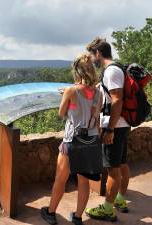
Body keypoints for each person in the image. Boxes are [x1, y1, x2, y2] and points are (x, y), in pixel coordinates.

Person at [41, 53, 103, 225]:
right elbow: (96, 118)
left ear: (78, 72)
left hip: (72, 141)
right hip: (91, 141)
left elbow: (61, 114)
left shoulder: (71, 91)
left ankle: (51, 213)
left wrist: (66, 96)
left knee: (60, 179)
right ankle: (77, 217)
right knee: (83, 182)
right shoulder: (99, 94)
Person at [85, 38, 131, 222]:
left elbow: (117, 99)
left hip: (115, 126)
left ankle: (108, 209)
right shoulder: (116, 68)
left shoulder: (111, 71)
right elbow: (109, 93)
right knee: (122, 163)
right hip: (123, 124)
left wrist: (110, 129)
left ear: (98, 53)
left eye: (92, 56)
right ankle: (120, 199)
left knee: (112, 169)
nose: (92, 60)